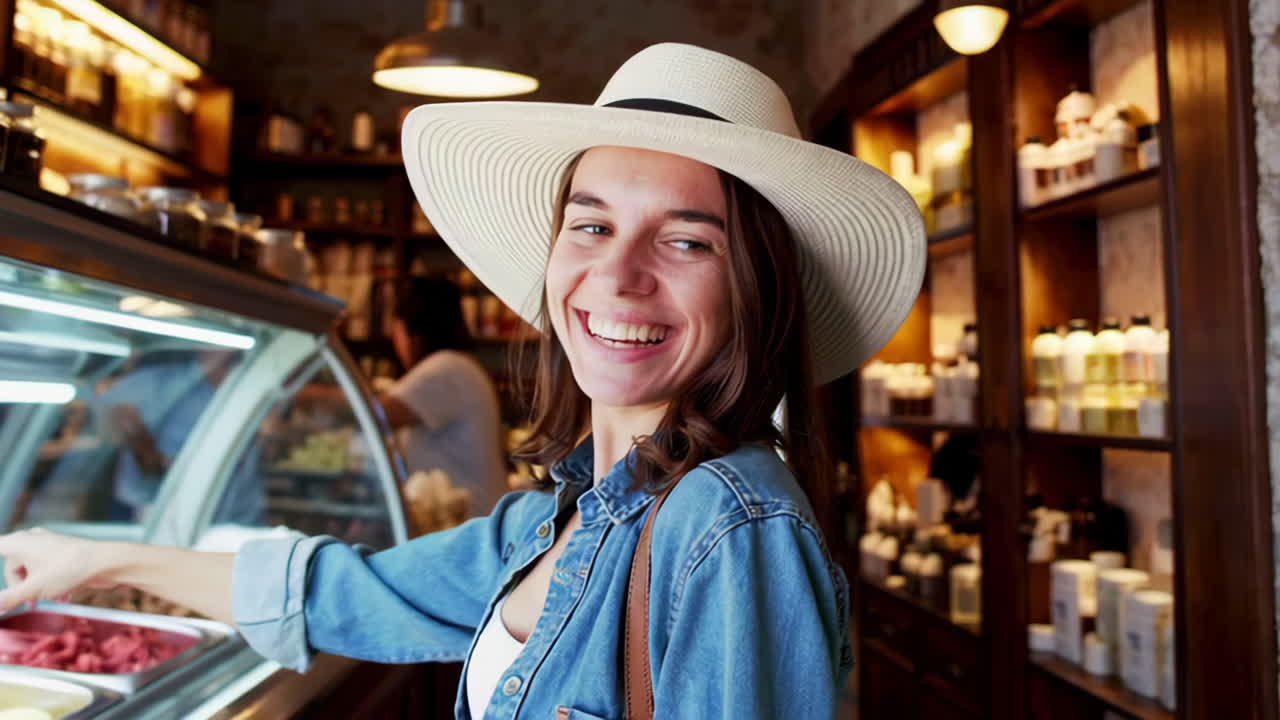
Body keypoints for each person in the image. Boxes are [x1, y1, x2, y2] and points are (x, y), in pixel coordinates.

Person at [0, 43, 925, 718]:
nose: (617, 276)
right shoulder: (558, 519)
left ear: (754, 287)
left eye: (686, 240)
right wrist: (88, 559)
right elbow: (344, 592)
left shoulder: (726, 528)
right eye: (592, 225)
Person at [380, 276, 506, 517]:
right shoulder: (459, 367)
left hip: (467, 524)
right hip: (468, 523)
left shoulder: (446, 368)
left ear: (411, 330)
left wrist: (307, 395)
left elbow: (370, 414)